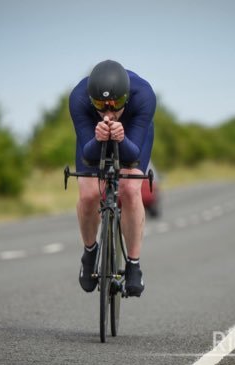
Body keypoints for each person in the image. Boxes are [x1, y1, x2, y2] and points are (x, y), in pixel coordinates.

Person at [69, 59, 156, 297]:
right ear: (91, 100)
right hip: (92, 138)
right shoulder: (78, 98)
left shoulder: (144, 95)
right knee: (89, 194)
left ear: (126, 98)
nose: (108, 113)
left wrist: (120, 138)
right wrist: (99, 139)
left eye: (115, 105)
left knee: (129, 189)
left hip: (133, 137)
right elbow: (88, 153)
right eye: (101, 105)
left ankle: (134, 264)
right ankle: (90, 252)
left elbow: (133, 154)